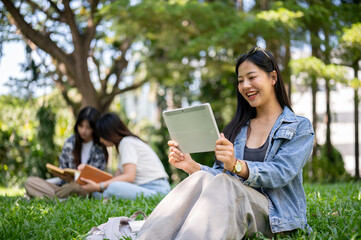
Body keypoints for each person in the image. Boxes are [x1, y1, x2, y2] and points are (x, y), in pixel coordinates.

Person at [137, 46, 315, 239]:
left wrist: (237, 166)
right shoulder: (238, 129)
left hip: (277, 217)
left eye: (252, 77)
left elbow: (282, 172)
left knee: (224, 182)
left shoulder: (299, 127)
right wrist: (192, 166)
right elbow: (221, 178)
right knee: (200, 178)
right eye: (240, 81)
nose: (245, 85)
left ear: (273, 78)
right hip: (235, 205)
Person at [81, 113, 171, 200]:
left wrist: (98, 186)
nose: (100, 140)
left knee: (113, 187)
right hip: (145, 188)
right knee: (101, 191)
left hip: (157, 189)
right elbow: (117, 177)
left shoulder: (127, 142)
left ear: (109, 133)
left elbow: (129, 177)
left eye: (101, 136)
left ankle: (105, 197)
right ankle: (104, 197)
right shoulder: (123, 146)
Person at [25, 106, 108, 199]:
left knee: (75, 188)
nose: (83, 131)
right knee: (30, 182)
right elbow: (63, 169)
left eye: (88, 127)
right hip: (64, 186)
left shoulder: (99, 147)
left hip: (86, 189)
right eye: (81, 126)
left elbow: (97, 180)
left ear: (95, 128)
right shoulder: (70, 142)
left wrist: (75, 181)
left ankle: (54, 198)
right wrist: (64, 176)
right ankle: (61, 199)